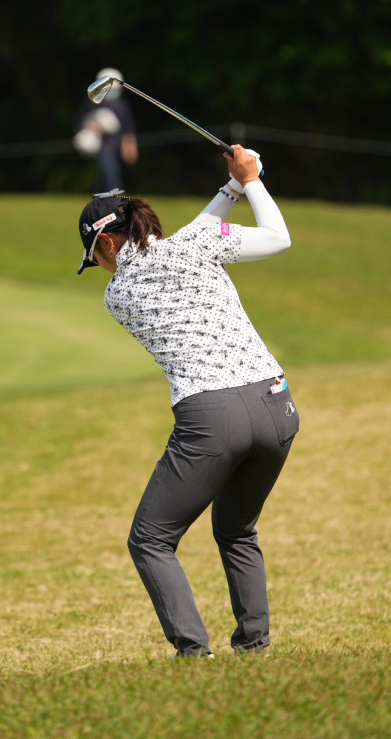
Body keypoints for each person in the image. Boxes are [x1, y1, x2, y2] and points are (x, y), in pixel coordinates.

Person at [76, 145, 299, 658]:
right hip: (277, 405)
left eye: (95, 258)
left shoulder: (117, 296)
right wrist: (248, 182)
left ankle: (194, 654)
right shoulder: (196, 244)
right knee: (237, 529)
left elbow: (184, 240)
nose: (100, 268)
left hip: (212, 418)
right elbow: (276, 237)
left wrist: (235, 186)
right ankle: (254, 647)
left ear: (106, 242)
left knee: (150, 539)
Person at [73, 67, 138, 191]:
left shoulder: (122, 104)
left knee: (111, 171)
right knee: (108, 170)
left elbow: (127, 128)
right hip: (100, 144)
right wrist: (94, 127)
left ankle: (109, 195)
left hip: (115, 143)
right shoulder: (91, 102)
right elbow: (80, 122)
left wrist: (130, 145)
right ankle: (112, 195)